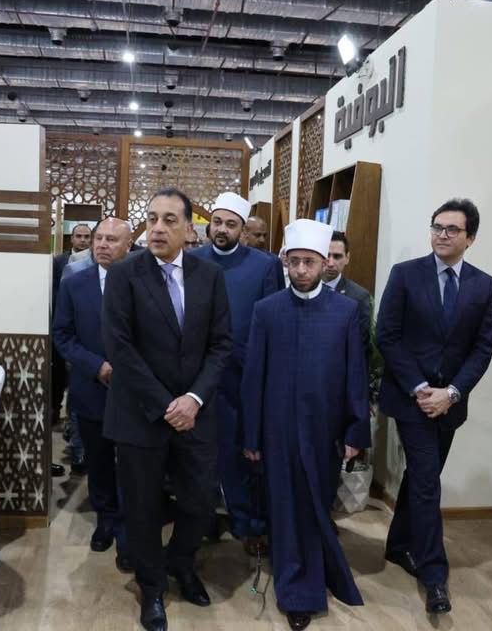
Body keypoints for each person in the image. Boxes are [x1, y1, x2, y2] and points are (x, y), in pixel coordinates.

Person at [102, 187, 232, 631]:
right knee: (142, 509)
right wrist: (165, 405)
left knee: (199, 502)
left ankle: (180, 561)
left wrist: (193, 399)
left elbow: (221, 345)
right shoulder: (125, 274)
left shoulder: (209, 276)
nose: (157, 228)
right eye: (152, 219)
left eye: (169, 220)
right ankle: (152, 587)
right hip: (140, 415)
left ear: (189, 228)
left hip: (196, 414)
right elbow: (120, 348)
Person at [241, 219, 370, 631]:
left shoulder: (345, 311)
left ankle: (318, 571)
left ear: (324, 263)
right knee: (285, 508)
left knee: (316, 504)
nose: (300, 270)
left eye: (309, 262)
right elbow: (254, 377)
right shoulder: (266, 310)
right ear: (284, 261)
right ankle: (298, 591)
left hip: (324, 431)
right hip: (276, 430)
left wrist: (355, 431)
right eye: (294, 261)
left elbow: (355, 375)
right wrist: (251, 435)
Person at [376, 198, 492, 615]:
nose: (442, 235)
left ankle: (398, 545)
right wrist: (421, 387)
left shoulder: (483, 285)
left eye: (452, 229)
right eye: (437, 227)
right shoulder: (405, 275)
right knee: (428, 483)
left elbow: (483, 347)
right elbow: (386, 335)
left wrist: (453, 393)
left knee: (421, 476)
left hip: (451, 404)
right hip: (413, 399)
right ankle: (434, 576)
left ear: (470, 238)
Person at [192, 193, 284, 553]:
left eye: (231, 224)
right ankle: (204, 520)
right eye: (217, 222)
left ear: (242, 230)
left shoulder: (264, 266)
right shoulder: (193, 260)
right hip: (200, 376)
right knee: (202, 454)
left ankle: (249, 524)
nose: (222, 230)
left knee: (244, 455)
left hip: (244, 376)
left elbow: (272, 320)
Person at [53, 217, 133, 572]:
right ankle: (106, 519)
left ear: (128, 246)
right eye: (99, 238)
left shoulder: (143, 284)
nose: (102, 245)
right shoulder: (75, 284)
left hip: (134, 392)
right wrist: (96, 366)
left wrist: (129, 370)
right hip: (92, 387)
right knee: (99, 461)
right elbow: (63, 335)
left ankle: (131, 527)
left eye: (112, 240)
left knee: (131, 463)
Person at [323, 231, 371, 357]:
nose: (331, 263)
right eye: (327, 255)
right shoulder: (305, 290)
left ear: (347, 258)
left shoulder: (359, 297)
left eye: (337, 256)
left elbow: (359, 347)